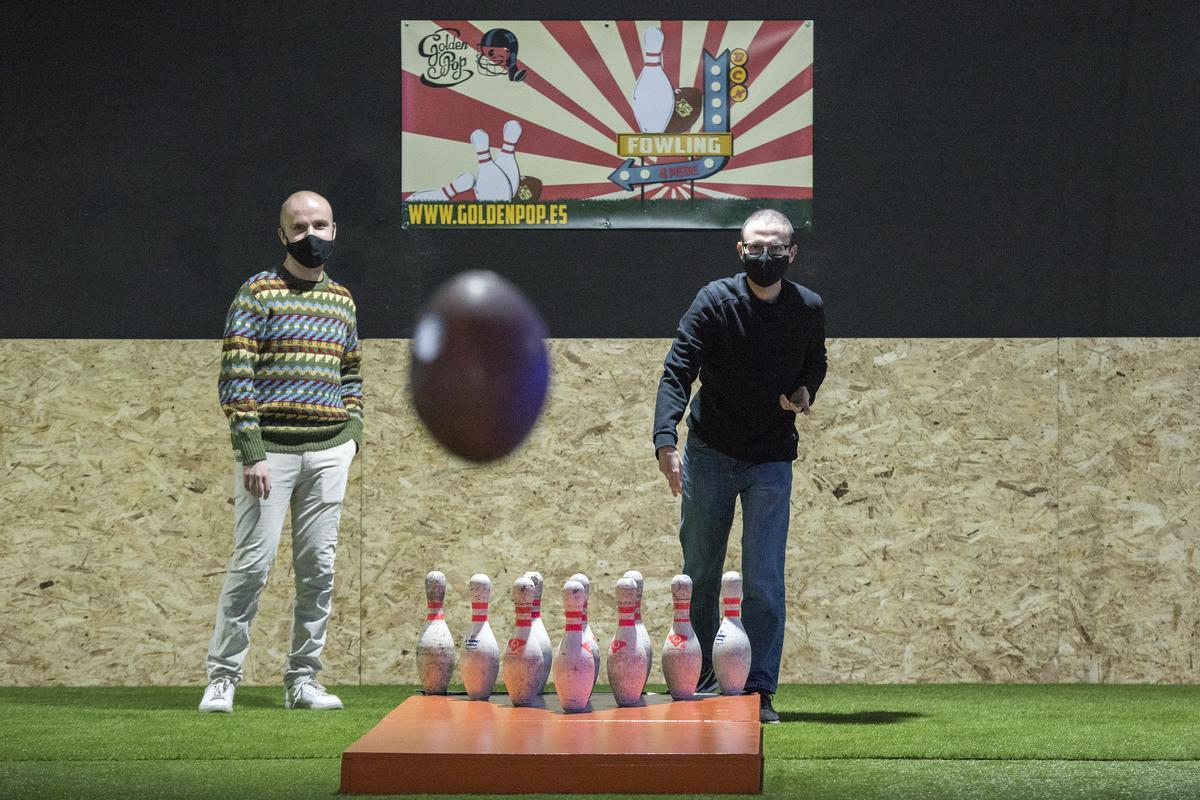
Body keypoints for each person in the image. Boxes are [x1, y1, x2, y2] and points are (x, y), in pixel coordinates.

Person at [652, 209, 827, 724]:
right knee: (701, 572)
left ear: (792, 252)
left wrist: (805, 390)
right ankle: (704, 679)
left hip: (771, 458)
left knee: (764, 579)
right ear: (740, 250)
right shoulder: (714, 302)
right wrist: (666, 440)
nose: (766, 256)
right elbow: (677, 368)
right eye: (756, 247)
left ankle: (757, 689)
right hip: (710, 453)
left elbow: (816, 361)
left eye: (776, 248)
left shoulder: (808, 308)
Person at [199, 191, 363, 713]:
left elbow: (351, 372)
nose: (310, 235)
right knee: (252, 566)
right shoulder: (256, 294)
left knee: (319, 568)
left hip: (329, 452)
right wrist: (251, 449)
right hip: (268, 455)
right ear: (282, 235)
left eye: (319, 224)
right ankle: (222, 678)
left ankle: (303, 681)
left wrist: (352, 432)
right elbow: (236, 375)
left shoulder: (342, 300)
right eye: (299, 227)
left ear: (334, 230)